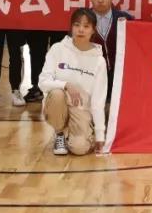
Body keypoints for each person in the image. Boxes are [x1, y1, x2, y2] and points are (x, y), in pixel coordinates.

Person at [39, 8, 109, 156]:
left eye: (86, 26)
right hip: (59, 104)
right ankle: (59, 133)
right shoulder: (57, 49)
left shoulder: (99, 61)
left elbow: (98, 101)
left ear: (93, 30)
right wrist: (66, 85)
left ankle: (79, 133)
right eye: (77, 25)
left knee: (80, 148)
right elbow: (43, 82)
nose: (81, 30)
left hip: (81, 109)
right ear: (71, 27)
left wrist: (100, 135)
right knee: (57, 93)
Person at [88, 0, 134, 107]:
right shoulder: (82, 20)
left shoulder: (126, 20)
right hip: (92, 82)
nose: (100, 0)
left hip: (120, 83)